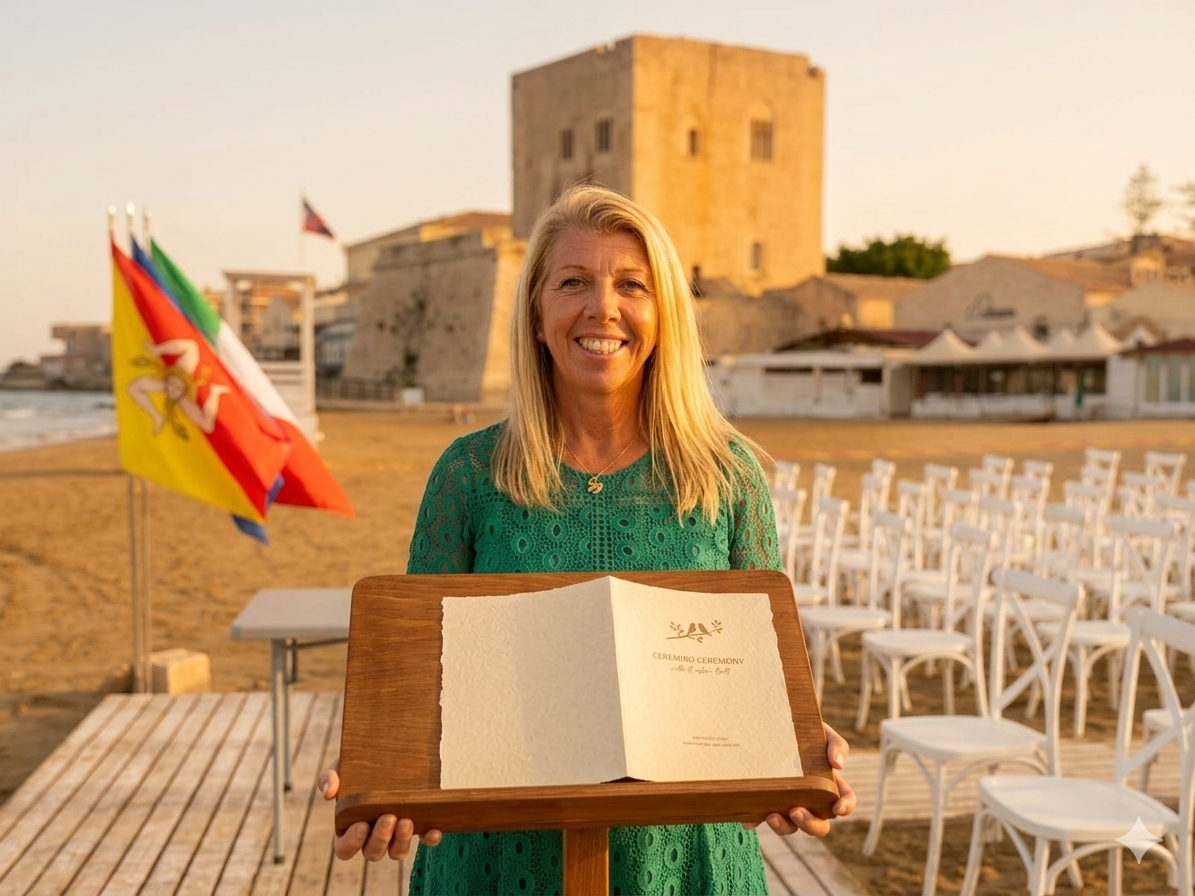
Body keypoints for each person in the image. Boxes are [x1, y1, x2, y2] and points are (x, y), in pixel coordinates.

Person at [318, 185, 856, 895]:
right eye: (573, 282)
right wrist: (382, 787)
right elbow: (421, 687)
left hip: (686, 865)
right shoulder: (468, 474)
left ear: (662, 315)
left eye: (630, 285)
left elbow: (763, 677)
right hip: (494, 865)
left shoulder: (728, 478)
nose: (602, 307)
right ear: (537, 314)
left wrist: (805, 755)